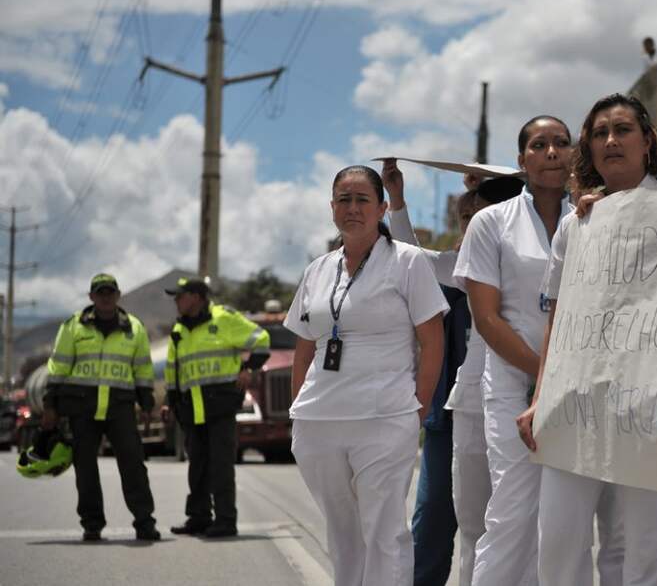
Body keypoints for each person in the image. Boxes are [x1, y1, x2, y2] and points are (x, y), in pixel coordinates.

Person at [517, 94, 657, 585]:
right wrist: (540, 396)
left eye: (623, 129)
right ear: (587, 149)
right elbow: (559, 316)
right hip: (577, 404)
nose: (611, 141)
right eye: (599, 133)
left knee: (646, 548)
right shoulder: (578, 224)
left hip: (656, 404)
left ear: (648, 140)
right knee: (559, 540)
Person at [285, 165, 447, 586]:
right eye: (344, 199)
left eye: (362, 200)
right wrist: (297, 406)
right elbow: (304, 345)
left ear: (382, 207)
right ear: (332, 207)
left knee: (384, 531)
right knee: (343, 533)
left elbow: (432, 342)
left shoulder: (407, 262)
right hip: (319, 422)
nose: (352, 208)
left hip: (385, 417)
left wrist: (417, 411)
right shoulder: (318, 270)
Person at [382, 160, 522, 586]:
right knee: (459, 523)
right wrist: (398, 202)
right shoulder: (462, 268)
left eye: (479, 215)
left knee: (524, 524)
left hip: (528, 400)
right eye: (464, 218)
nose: (472, 225)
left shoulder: (541, 252)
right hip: (461, 411)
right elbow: (410, 258)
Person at [453, 115, 574, 586]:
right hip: (511, 384)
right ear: (521, 160)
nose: (551, 153)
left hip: (577, 389)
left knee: (564, 522)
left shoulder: (590, 217)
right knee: (511, 513)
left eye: (561, 144)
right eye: (539, 145)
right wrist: (545, 372)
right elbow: (486, 319)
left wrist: (564, 377)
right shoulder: (490, 223)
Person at [43, 273, 160, 541]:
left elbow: (142, 368)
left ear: (118, 295)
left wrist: (146, 402)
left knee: (133, 465)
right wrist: (51, 404)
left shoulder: (135, 328)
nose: (106, 297)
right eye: (100, 292)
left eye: (110, 292)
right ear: (91, 297)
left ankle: (144, 521)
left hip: (119, 406)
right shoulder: (73, 326)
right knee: (85, 468)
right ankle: (92, 524)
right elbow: (58, 368)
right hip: (82, 406)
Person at [164, 276, 270, 538]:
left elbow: (262, 339)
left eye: (180, 296)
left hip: (219, 406)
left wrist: (248, 368)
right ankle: (199, 518)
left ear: (197, 297)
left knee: (221, 466)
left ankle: (225, 520)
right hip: (191, 408)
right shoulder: (178, 331)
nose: (176, 301)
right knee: (197, 466)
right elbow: (173, 371)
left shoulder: (223, 318)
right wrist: (170, 402)